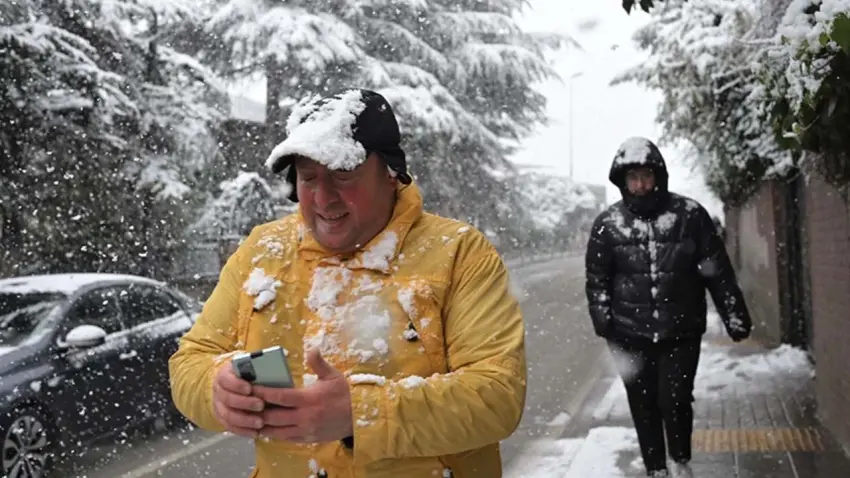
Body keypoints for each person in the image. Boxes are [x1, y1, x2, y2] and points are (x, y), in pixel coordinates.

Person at [169, 88, 527, 478]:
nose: (324, 199)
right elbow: (191, 362)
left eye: (343, 176)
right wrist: (215, 389)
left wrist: (361, 413)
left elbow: (497, 396)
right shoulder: (262, 249)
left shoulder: (458, 252)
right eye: (308, 179)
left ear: (390, 174)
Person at [584, 137, 752, 478]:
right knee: (642, 403)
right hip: (628, 333)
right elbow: (597, 278)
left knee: (674, 400)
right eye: (633, 178)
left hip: (681, 329)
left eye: (646, 176)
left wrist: (733, 314)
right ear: (622, 181)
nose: (641, 184)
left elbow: (716, 269)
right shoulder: (608, 225)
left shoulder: (689, 215)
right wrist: (603, 319)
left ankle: (680, 460)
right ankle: (655, 468)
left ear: (658, 176)